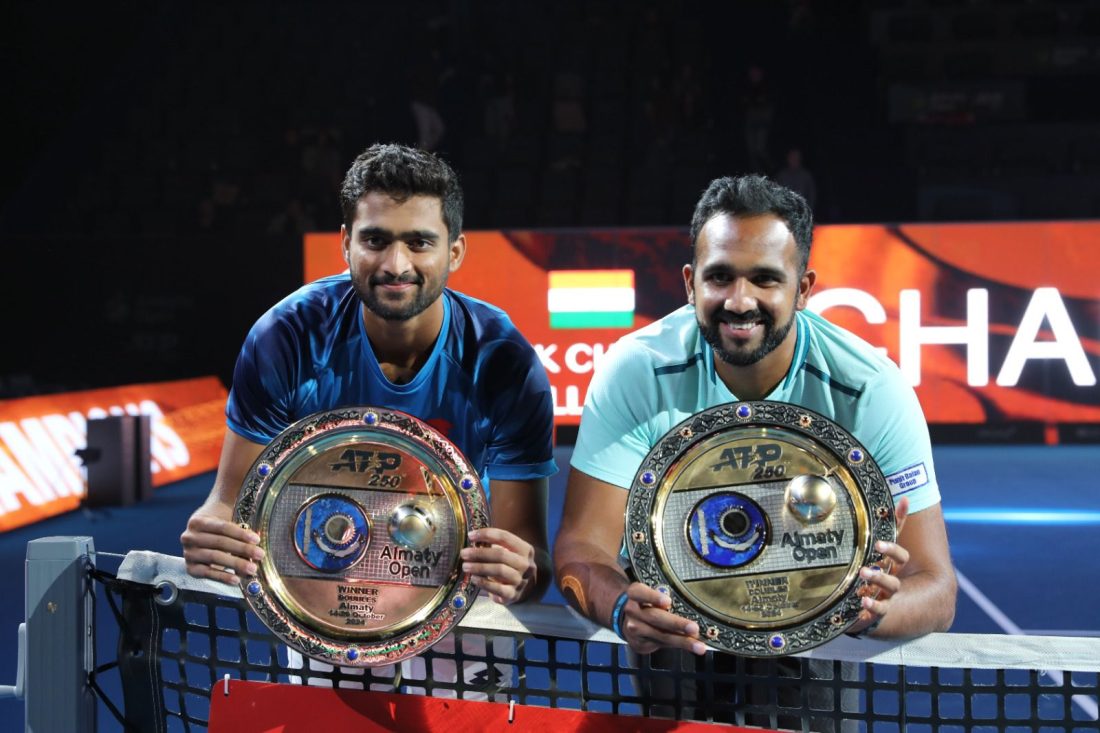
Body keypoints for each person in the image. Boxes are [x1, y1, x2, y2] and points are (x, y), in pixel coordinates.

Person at [553, 174, 956, 724]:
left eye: (765, 279)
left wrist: (875, 611)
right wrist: (623, 606)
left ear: (803, 288)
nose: (739, 301)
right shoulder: (638, 371)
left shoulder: (869, 389)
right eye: (720, 277)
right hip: (678, 636)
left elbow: (937, 588)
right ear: (691, 282)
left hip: (814, 641)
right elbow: (582, 548)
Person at [181, 144, 555, 690]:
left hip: (456, 609)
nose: (395, 265)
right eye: (376, 240)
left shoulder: (504, 361)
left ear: (455, 251)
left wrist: (520, 574)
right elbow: (229, 505)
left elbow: (531, 556)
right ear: (345, 244)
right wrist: (213, 536)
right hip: (328, 599)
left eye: (419, 242)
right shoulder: (287, 338)